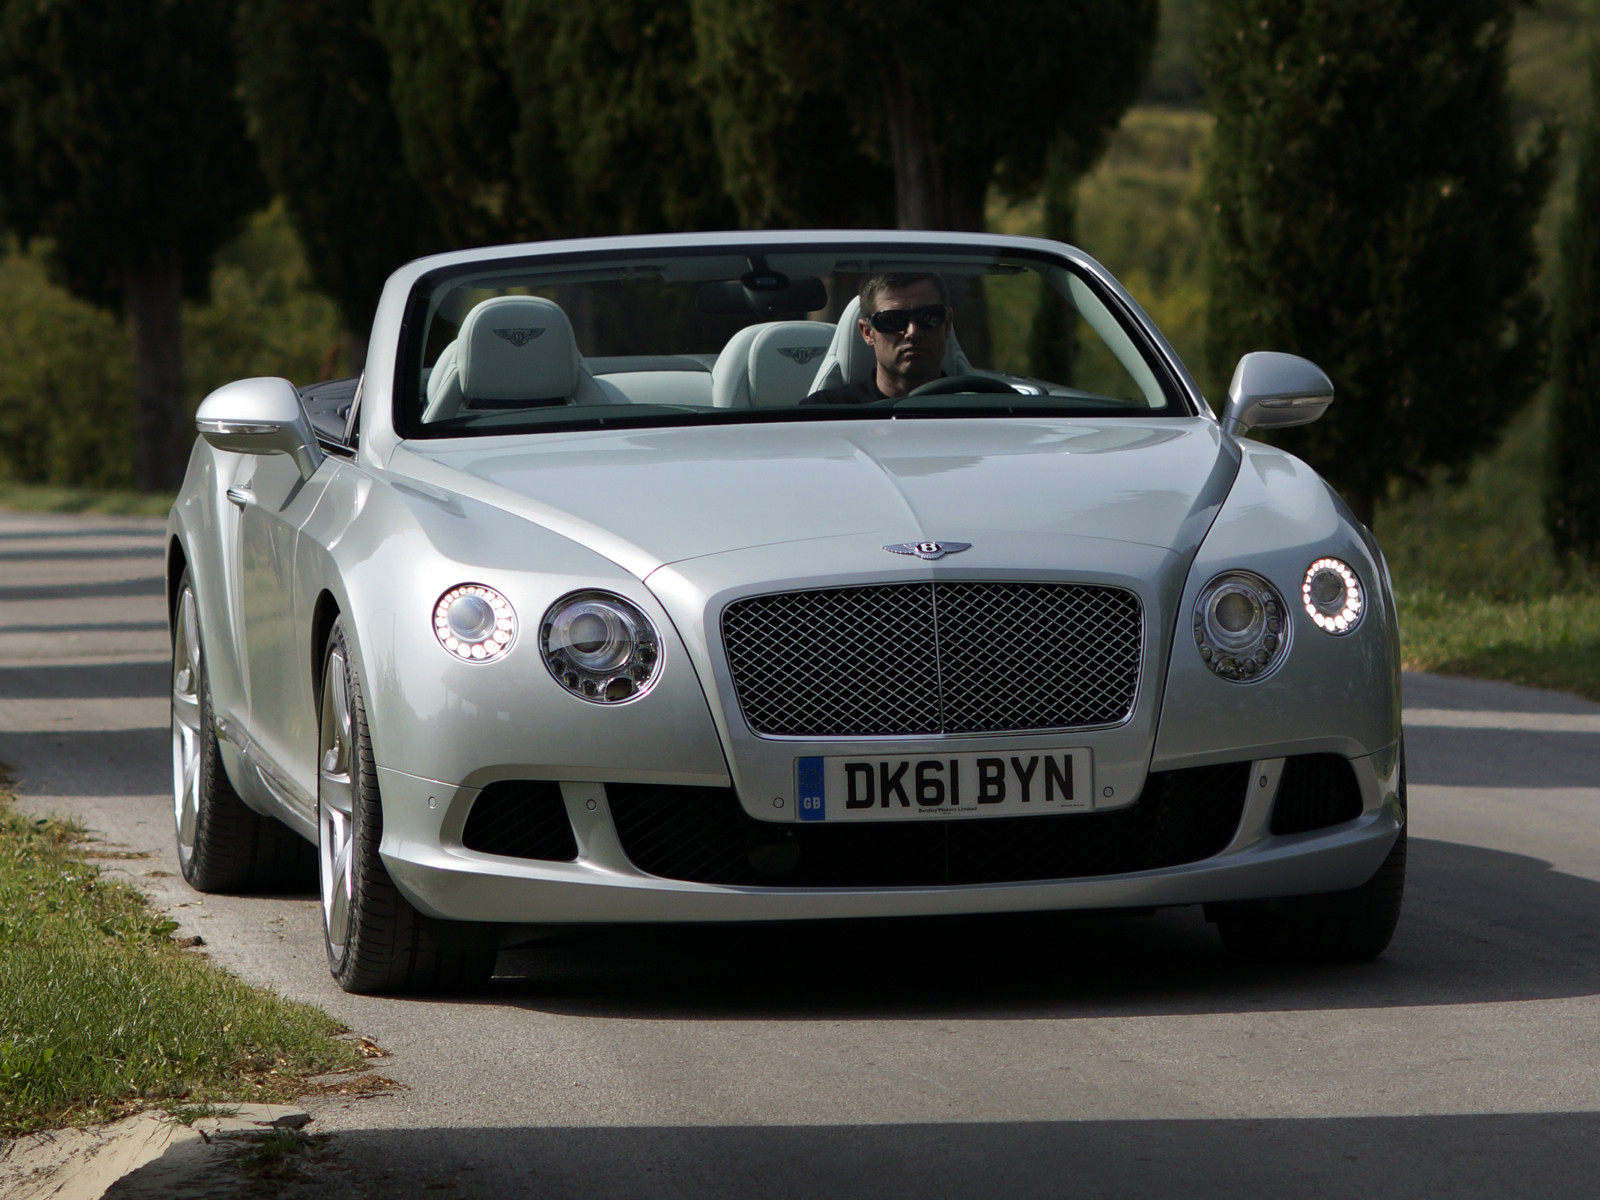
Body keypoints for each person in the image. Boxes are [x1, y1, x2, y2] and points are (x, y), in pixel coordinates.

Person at [803, 273, 952, 404]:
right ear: (867, 332)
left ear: (947, 324)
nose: (912, 332)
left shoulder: (973, 408)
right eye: (893, 320)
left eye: (929, 316)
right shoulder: (822, 416)